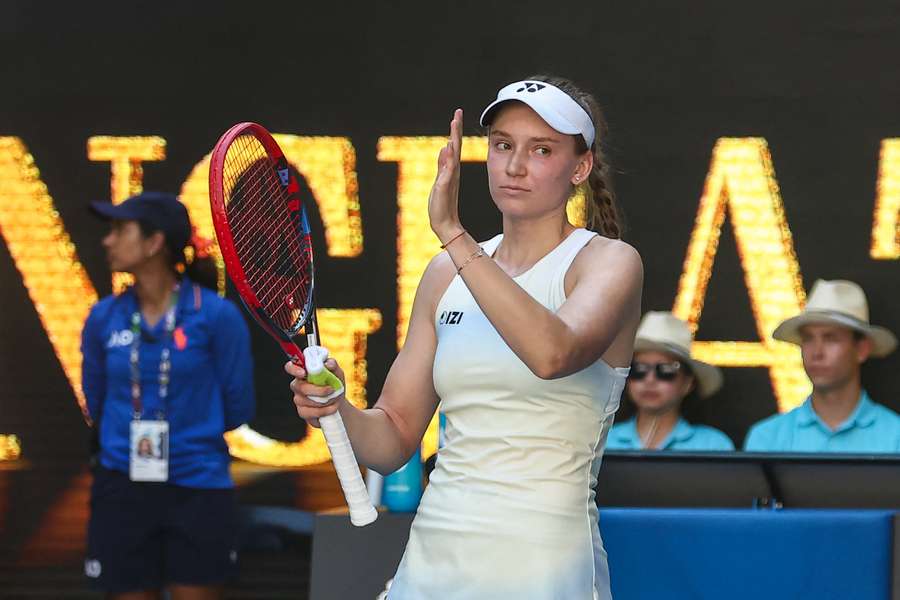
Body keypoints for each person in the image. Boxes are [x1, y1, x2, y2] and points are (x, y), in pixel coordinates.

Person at [289, 76, 643, 599]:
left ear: (580, 166)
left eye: (541, 149)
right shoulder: (444, 274)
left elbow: (552, 353)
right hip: (433, 561)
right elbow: (390, 442)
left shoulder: (609, 262)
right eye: (503, 146)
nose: (515, 166)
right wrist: (335, 405)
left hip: (543, 563)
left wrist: (455, 235)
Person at [81, 191, 256, 600]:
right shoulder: (103, 316)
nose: (108, 241)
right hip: (122, 487)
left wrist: (189, 436)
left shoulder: (215, 316)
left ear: (154, 242)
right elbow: (96, 399)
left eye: (119, 230)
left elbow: (238, 404)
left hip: (197, 486)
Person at [744, 279, 900, 452]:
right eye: (808, 339)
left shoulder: (896, 437)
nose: (817, 352)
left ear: (861, 349)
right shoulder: (766, 438)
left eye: (831, 338)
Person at [607, 311, 734, 451]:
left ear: (688, 384)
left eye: (666, 370)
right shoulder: (602, 440)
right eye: (639, 369)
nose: (650, 380)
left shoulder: (713, 445)